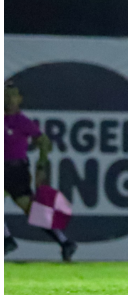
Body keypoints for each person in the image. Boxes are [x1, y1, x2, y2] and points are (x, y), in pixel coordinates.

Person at [4, 81, 78, 261]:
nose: (8, 99)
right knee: (30, 209)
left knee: (32, 210)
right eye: (5, 94)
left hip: (16, 170)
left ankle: (7, 240)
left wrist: (41, 166)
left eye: (12, 95)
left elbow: (44, 142)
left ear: (19, 99)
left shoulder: (23, 122)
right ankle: (64, 242)